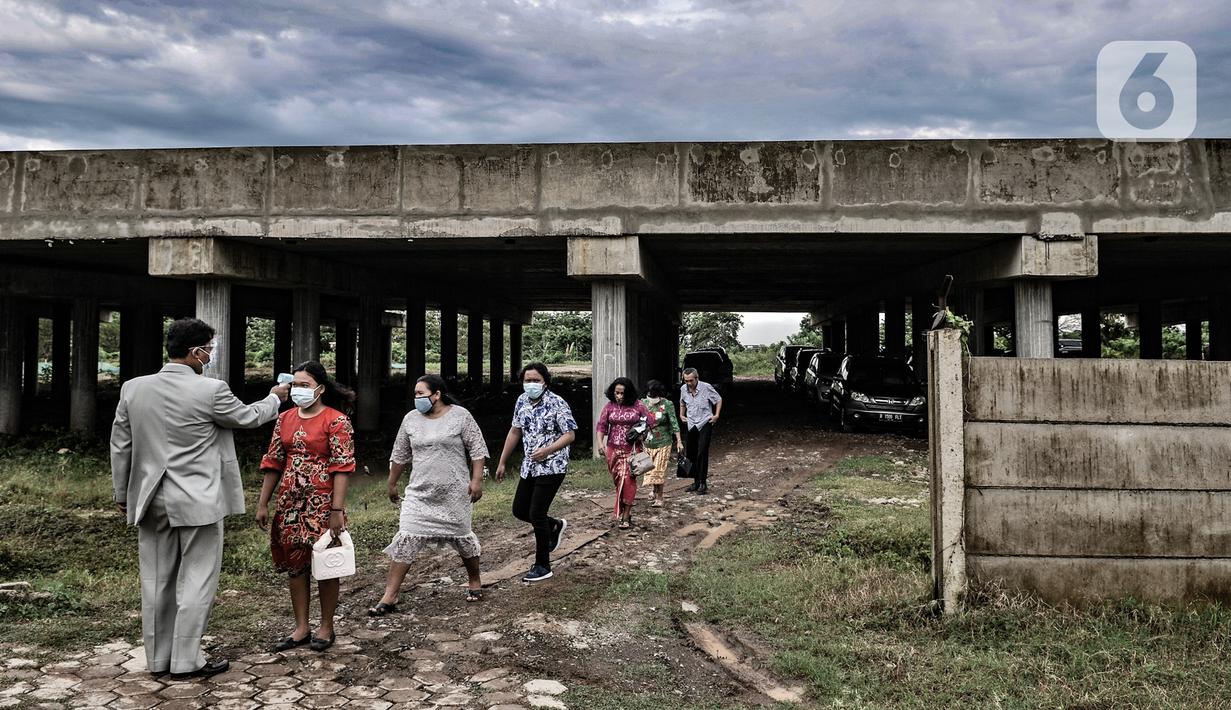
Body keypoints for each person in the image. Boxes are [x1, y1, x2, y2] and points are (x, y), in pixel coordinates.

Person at [110, 318, 288, 680]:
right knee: (196, 579)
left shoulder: (133, 388)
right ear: (196, 352)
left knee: (156, 581)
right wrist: (275, 398)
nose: (212, 353)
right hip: (197, 499)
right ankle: (187, 660)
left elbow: (120, 446)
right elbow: (248, 417)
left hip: (150, 496)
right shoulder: (210, 390)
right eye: (211, 346)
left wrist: (122, 493)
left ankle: (158, 660)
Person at [256, 361, 356, 653]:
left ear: (320, 389)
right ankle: (301, 627)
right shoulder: (284, 418)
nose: (298, 390)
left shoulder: (336, 421)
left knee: (326, 564)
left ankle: (326, 626)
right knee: (294, 566)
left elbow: (342, 467)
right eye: (295, 385)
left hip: (322, 504)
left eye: (305, 385)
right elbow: (273, 462)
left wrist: (336, 510)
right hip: (289, 503)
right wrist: (263, 502)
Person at [369, 374, 489, 613]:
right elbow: (400, 454)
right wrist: (391, 483)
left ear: (437, 394)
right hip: (419, 492)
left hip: (454, 492)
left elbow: (477, 449)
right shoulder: (411, 420)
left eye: (421, 393)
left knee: (462, 537)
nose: (417, 398)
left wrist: (476, 481)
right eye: (415, 394)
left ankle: (474, 580)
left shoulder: (460, 416)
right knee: (407, 537)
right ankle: (389, 596)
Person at [495, 363, 578, 583]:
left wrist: (548, 450)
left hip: (552, 465)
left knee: (537, 513)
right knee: (520, 509)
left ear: (545, 381)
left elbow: (569, 435)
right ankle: (554, 525)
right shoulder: (521, 401)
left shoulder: (557, 403)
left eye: (536, 380)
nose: (531, 384)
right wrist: (502, 461)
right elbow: (515, 431)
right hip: (529, 466)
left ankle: (543, 565)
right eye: (527, 380)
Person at [596, 377, 654, 529]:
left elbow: (650, 422)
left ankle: (626, 514)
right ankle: (621, 507)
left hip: (632, 450)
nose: (619, 396)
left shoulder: (638, 406)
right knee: (618, 480)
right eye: (617, 393)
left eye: (622, 393)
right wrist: (600, 443)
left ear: (628, 393)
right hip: (612, 450)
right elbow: (601, 426)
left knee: (628, 480)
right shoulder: (609, 407)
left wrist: (641, 433)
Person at [679, 367, 723, 495]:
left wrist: (716, 415)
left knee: (702, 451)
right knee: (691, 453)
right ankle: (695, 482)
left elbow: (718, 399)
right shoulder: (683, 389)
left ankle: (703, 483)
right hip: (691, 423)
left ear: (697, 378)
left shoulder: (706, 387)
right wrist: (682, 415)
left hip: (705, 422)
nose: (688, 383)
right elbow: (682, 403)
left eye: (691, 380)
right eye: (686, 381)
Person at [640, 380, 683, 507]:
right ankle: (654, 489)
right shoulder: (642, 403)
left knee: (659, 469)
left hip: (664, 441)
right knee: (651, 469)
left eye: (654, 395)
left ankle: (660, 497)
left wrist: (679, 441)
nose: (651, 397)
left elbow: (674, 423)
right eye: (649, 394)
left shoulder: (667, 404)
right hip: (648, 442)